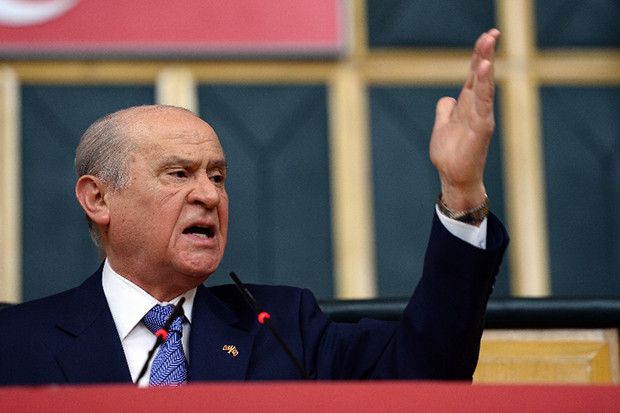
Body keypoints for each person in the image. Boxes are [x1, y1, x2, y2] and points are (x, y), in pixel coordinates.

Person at [0, 29, 507, 386]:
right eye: (179, 174)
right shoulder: (16, 343)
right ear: (98, 198)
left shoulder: (283, 328)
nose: (209, 195)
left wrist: (460, 192)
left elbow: (427, 371)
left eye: (217, 177)